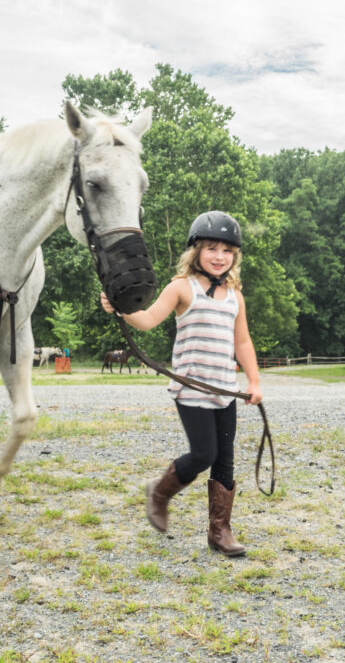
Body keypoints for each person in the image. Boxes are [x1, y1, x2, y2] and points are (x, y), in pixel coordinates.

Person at [100, 210, 262, 557]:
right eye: (212, 249)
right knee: (204, 453)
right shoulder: (182, 288)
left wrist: (254, 380)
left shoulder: (235, 295)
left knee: (225, 462)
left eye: (227, 251)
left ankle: (220, 531)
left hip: (224, 391)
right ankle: (160, 491)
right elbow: (147, 319)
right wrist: (120, 307)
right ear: (196, 251)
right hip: (191, 390)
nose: (220, 257)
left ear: (235, 256)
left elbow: (243, 342)